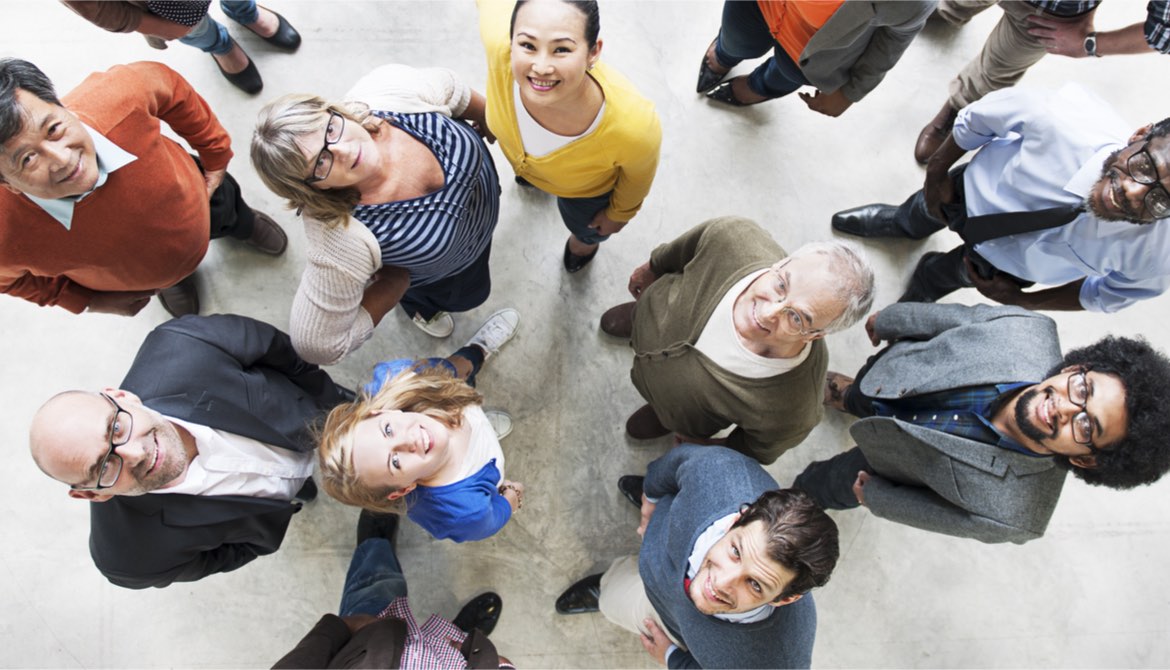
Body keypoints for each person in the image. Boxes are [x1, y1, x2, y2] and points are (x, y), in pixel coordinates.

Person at [795, 302, 1170, 544]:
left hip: (891, 463)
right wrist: (893, 320)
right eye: (1083, 387)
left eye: (1088, 428)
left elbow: (943, 516)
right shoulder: (1026, 328)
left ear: (1086, 460)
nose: (1066, 408)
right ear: (1076, 367)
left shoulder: (1018, 517)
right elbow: (953, 318)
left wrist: (877, 497)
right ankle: (848, 397)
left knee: (826, 485)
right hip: (894, 376)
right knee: (863, 393)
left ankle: (800, 497)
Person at [28, 315, 352, 589]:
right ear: (93, 496)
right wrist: (266, 518)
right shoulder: (130, 560)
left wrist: (334, 407)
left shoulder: (185, 344)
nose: (135, 453)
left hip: (321, 417)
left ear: (122, 397)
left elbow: (289, 356)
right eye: (103, 467)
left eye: (116, 428)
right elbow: (225, 556)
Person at [832, 83, 1170, 311]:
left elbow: (1105, 294)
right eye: (1145, 165)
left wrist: (1026, 302)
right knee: (924, 209)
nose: (1133, 192)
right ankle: (904, 222)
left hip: (1008, 269)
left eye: (1160, 200)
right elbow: (979, 119)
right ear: (1140, 135)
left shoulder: (1158, 257)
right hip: (967, 195)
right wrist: (936, 174)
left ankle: (929, 278)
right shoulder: (1063, 115)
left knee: (956, 274)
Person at [0, 58, 286, 318]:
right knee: (165, 276)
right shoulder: (4, 234)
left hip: (201, 196)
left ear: (62, 107)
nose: (62, 159)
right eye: (27, 159)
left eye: (53, 130)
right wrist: (87, 301)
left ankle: (243, 226)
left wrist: (215, 154)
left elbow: (171, 88)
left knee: (231, 212)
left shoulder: (118, 95)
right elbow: (10, 281)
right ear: (7, 184)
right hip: (143, 277)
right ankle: (171, 282)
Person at [252, 64, 500, 356]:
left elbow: (451, 88)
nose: (342, 151)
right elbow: (317, 345)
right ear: (310, 188)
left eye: (330, 129)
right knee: (470, 295)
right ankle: (420, 307)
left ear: (336, 112)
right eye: (320, 162)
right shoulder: (338, 235)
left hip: (483, 217)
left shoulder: (389, 95)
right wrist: (394, 286)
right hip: (452, 274)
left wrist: (487, 117)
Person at [600, 216, 874, 465]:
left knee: (671, 413)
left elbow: (754, 449)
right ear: (781, 263)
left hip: (677, 412)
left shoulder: (793, 409)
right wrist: (651, 268)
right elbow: (683, 250)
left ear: (816, 335)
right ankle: (638, 320)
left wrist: (710, 445)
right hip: (653, 312)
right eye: (781, 285)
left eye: (797, 318)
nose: (768, 313)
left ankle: (663, 416)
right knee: (641, 316)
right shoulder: (733, 238)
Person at [555, 446, 839, 669]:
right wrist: (651, 500)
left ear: (785, 599)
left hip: (665, 619)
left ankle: (606, 590)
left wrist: (672, 659)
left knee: (613, 598)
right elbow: (675, 464)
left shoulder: (777, 662)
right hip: (665, 536)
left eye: (755, 585)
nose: (720, 583)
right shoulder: (720, 472)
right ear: (734, 522)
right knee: (668, 486)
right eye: (735, 552)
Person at [478, 0, 662, 272]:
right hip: (536, 170)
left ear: (593, 52)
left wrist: (618, 215)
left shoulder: (633, 126)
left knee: (587, 227)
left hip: (586, 193)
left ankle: (584, 244)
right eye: (528, 45)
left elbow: (637, 179)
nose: (540, 67)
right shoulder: (498, 45)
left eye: (561, 49)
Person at [317, 309, 524, 543]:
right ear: (403, 489)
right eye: (394, 462)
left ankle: (480, 348)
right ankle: (487, 440)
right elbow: (493, 518)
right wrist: (511, 496)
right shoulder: (462, 513)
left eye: (387, 430)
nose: (409, 440)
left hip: (456, 398)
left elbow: (444, 371)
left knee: (461, 369)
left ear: (379, 412)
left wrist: (464, 364)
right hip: (483, 462)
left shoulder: (400, 380)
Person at [914, 0, 1170, 163]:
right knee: (953, 4)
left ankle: (959, 106)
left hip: (1048, 11)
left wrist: (1088, 44)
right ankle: (945, 12)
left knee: (994, 71)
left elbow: (1163, 31)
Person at [273, 511, 511, 669]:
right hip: (452, 664)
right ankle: (459, 634)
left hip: (368, 641)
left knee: (376, 585)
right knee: (457, 644)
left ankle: (376, 545)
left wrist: (341, 628)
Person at [696, 0, 934, 113]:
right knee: (737, 40)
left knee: (785, 74)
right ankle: (725, 55)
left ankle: (758, 86)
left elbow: (901, 31)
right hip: (759, 4)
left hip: (815, 48)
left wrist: (851, 92)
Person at [61, 0, 301, 94]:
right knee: (196, 30)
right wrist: (156, 27)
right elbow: (99, 8)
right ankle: (220, 44)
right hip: (162, 5)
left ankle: (245, 11)